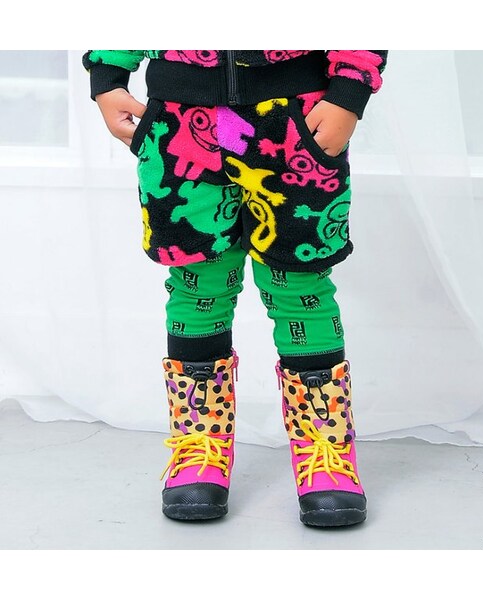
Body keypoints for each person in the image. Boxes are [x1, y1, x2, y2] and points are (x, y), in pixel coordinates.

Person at [82, 49, 388, 527]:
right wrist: (108, 75)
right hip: (180, 124)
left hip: (297, 120)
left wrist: (349, 92)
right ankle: (199, 445)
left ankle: (325, 448)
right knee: (197, 283)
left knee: (300, 285)